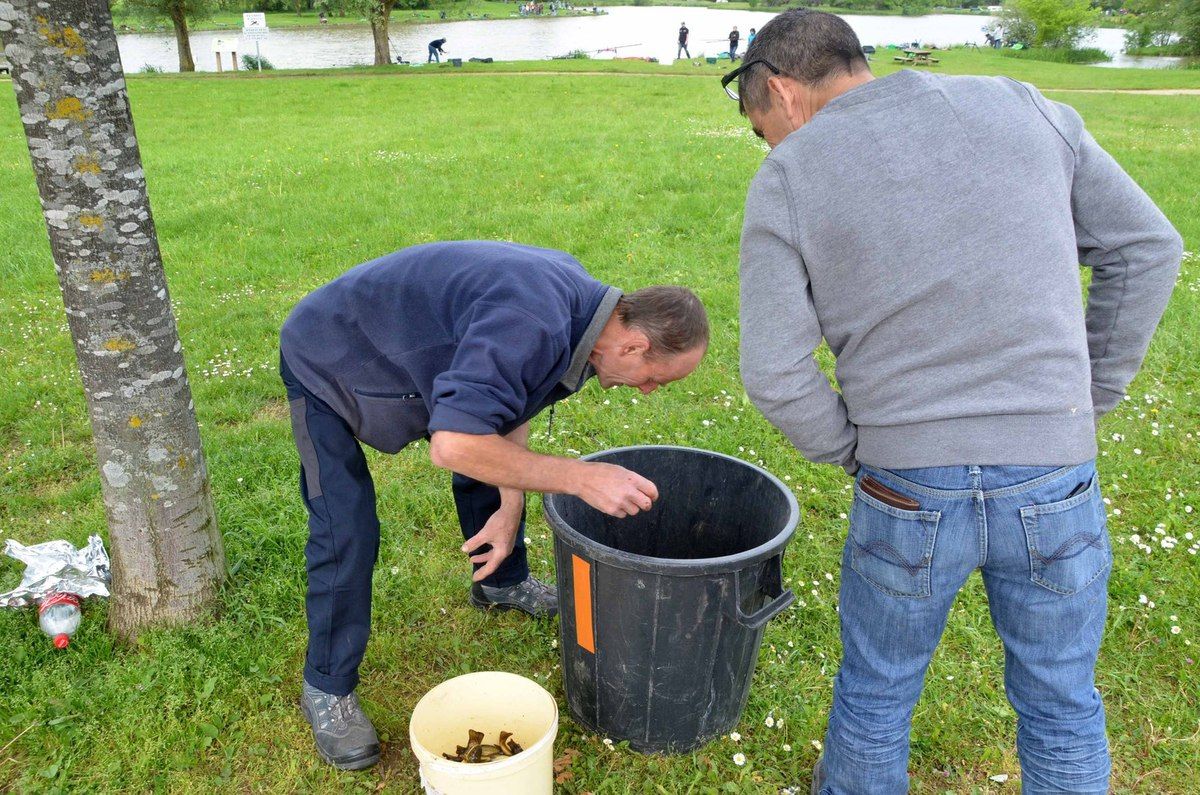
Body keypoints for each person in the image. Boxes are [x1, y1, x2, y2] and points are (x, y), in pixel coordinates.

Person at [723, 10, 1182, 794]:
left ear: (782, 93)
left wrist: (853, 450)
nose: (770, 147)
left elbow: (773, 370)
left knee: (875, 697)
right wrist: (1083, 401)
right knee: (1062, 705)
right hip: (1054, 471)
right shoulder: (1029, 106)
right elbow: (1149, 247)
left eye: (763, 128)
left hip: (906, 483)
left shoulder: (792, 174)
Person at [280, 241, 708, 770]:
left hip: (406, 345)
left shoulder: (586, 322)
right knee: (345, 528)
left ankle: (501, 582)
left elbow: (512, 404)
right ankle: (326, 688)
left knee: (492, 449)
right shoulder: (536, 323)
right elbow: (455, 445)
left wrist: (508, 511)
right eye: (655, 379)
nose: (647, 391)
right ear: (635, 345)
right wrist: (578, 477)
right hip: (329, 352)